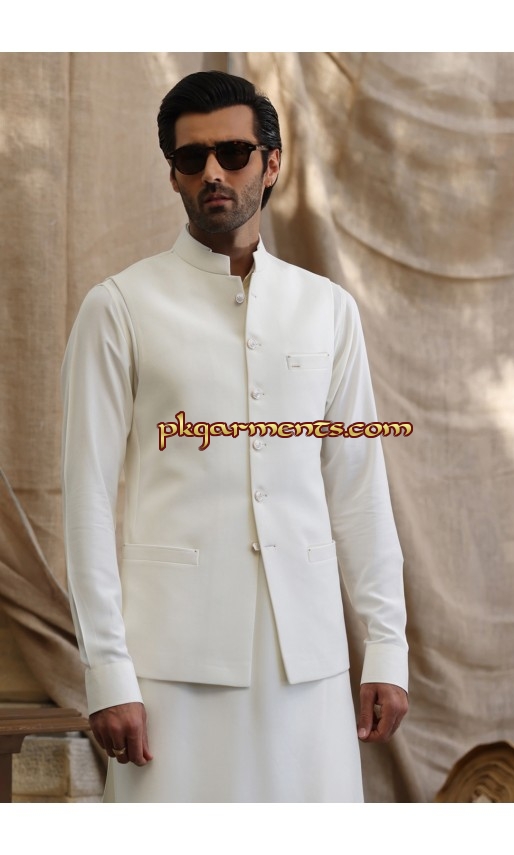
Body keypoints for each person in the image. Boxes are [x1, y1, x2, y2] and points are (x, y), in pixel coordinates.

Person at [61, 70, 409, 803]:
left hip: (307, 659)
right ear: (173, 174)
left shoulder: (328, 310)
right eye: (192, 158)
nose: (213, 173)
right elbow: (86, 499)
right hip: (171, 663)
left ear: (271, 163)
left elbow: (358, 486)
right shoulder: (119, 307)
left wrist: (386, 644)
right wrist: (108, 670)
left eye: (234, 153)